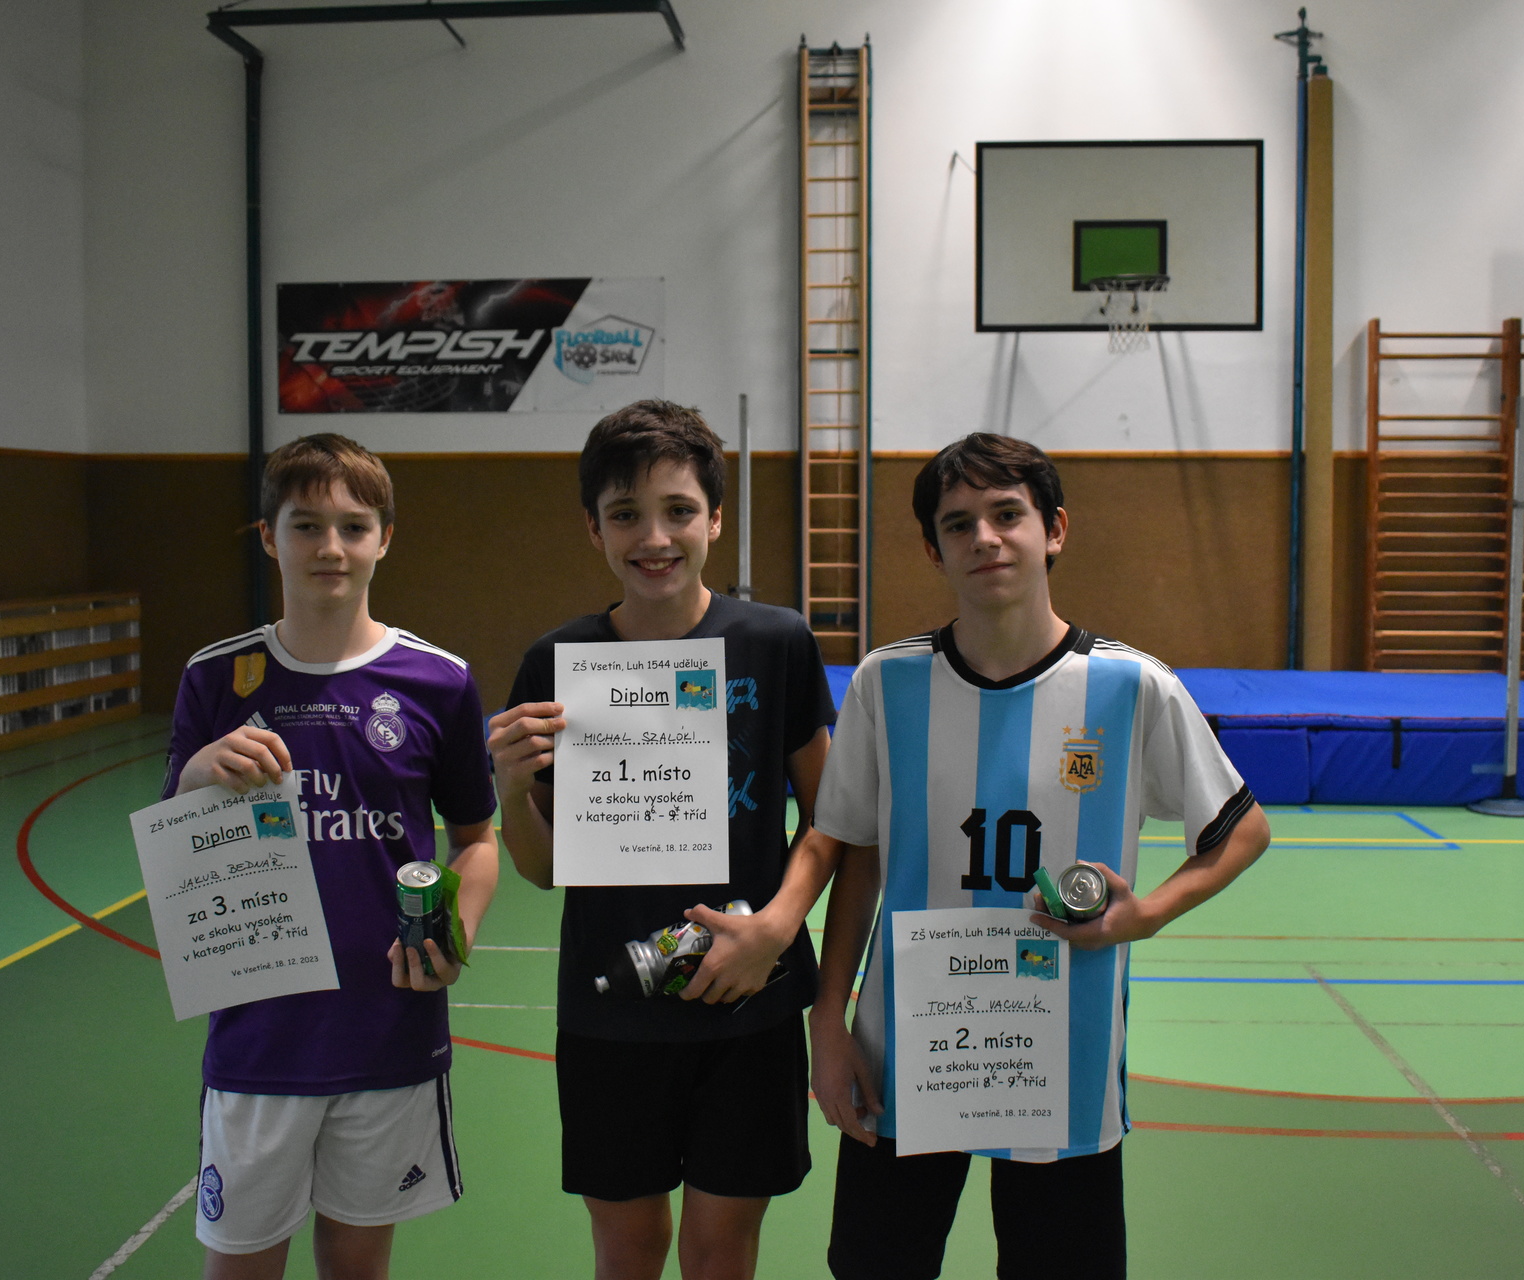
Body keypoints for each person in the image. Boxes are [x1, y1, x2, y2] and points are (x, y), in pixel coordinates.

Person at [801, 432, 1270, 1279]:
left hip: (1063, 1054)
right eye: (958, 524)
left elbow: (1242, 829)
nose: (984, 538)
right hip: (906, 1050)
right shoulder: (885, 683)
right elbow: (857, 856)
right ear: (933, 549)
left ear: (1054, 529)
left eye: (1006, 514)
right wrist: (827, 1022)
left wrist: (1145, 915)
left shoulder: (1131, 686)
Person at [486, 400, 838, 1280]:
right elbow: (544, 869)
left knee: (722, 1252)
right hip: (612, 1010)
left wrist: (776, 929)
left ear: (715, 518)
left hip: (747, 1000)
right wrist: (511, 790)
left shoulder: (777, 642)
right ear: (593, 528)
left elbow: (830, 817)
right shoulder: (555, 664)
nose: (654, 537)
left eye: (679, 510)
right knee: (630, 1247)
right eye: (625, 514)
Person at [163, 433, 499, 1280]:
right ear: (268, 536)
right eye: (306, 525)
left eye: (354, 526)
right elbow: (176, 844)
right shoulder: (216, 677)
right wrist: (199, 774)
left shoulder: (439, 681)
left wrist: (452, 933)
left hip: (388, 1030)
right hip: (257, 1035)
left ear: (385, 538)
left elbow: (476, 839)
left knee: (358, 1265)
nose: (331, 547)